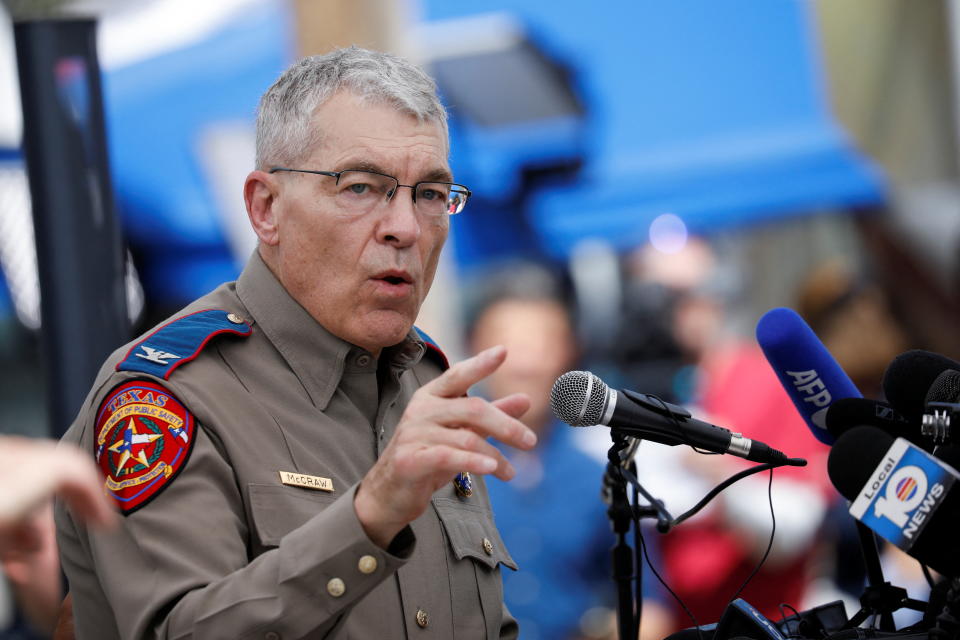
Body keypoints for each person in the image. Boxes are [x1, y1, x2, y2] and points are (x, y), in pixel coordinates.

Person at [54, 46, 537, 639]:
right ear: (265, 209)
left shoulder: (427, 381)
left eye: (431, 195)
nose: (406, 227)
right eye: (361, 187)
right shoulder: (164, 397)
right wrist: (369, 518)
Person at [465, 263, 672, 640]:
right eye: (508, 347)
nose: (526, 364)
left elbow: (650, 607)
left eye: (542, 345)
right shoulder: (440, 464)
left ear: (570, 353)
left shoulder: (605, 474)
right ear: (475, 348)